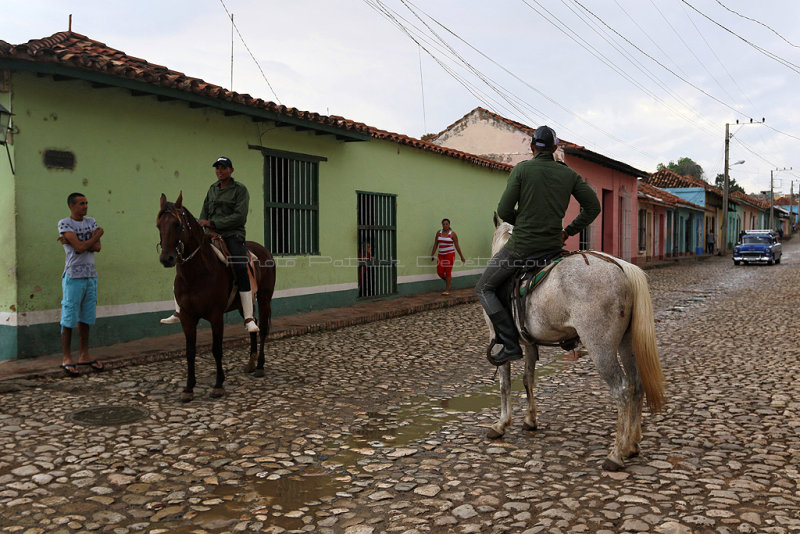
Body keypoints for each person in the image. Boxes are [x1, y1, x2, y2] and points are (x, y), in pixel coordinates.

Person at [475, 126, 601, 366]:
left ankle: (510, 344)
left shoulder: (522, 170)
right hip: (553, 247)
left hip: (521, 247)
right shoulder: (569, 175)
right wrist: (568, 232)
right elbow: (593, 207)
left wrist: (523, 222)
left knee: (483, 288)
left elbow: (502, 211)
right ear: (554, 149)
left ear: (532, 147)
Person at [161, 156, 259, 333]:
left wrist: (212, 223)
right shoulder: (212, 189)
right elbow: (204, 212)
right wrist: (203, 229)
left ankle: (248, 317)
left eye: (223, 168)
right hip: (210, 234)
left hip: (232, 234)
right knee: (184, 259)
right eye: (217, 168)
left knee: (239, 264)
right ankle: (179, 310)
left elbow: (239, 216)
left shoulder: (240, 190)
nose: (220, 171)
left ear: (231, 170)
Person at [57, 193, 105, 376]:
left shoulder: (90, 221)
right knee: (68, 317)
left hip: (90, 275)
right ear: (71, 205)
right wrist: (97, 235)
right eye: (81, 204)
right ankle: (67, 357)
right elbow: (80, 248)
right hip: (73, 276)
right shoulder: (65, 223)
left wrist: (83, 242)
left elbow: (97, 248)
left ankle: (84, 354)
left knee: (86, 316)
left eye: (86, 203)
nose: (85, 206)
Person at [430, 218, 465, 295]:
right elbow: (435, 244)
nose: (445, 225)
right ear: (442, 225)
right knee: (439, 272)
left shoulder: (452, 234)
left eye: (447, 224)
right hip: (441, 255)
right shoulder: (439, 232)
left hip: (450, 254)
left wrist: (462, 256)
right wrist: (432, 254)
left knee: (448, 271)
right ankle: (449, 281)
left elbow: (457, 246)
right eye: (444, 224)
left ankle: (447, 290)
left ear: (449, 225)